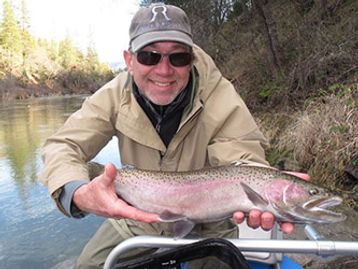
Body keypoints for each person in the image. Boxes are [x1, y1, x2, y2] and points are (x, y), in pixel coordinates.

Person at [40, 3, 295, 269]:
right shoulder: (113, 96)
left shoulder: (219, 94)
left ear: (191, 59)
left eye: (178, 57)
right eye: (149, 56)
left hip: (212, 221)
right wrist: (78, 192)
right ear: (129, 60)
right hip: (139, 214)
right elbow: (63, 145)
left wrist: (269, 189)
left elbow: (242, 156)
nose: (164, 70)